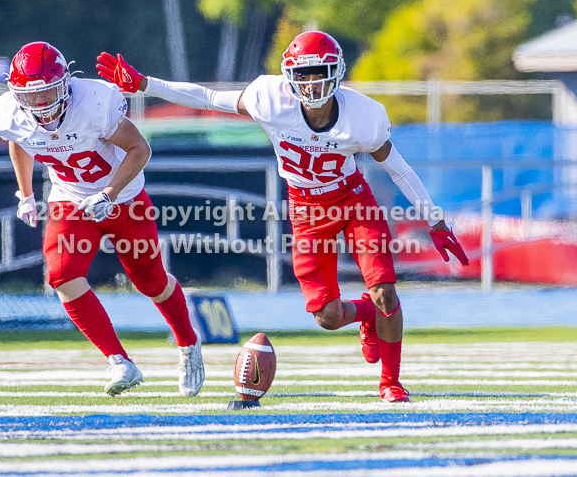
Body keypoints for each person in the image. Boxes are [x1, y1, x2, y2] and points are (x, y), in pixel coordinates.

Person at [96, 31, 469, 403]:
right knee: (327, 315)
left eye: (320, 72)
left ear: (336, 72)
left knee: (386, 289)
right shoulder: (271, 99)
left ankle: (390, 381)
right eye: (303, 74)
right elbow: (208, 97)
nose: (311, 82)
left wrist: (434, 220)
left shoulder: (363, 114)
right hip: (306, 211)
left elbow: (398, 169)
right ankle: (367, 315)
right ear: (290, 76)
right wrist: (146, 84)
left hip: (353, 199)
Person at [0, 41, 204, 397]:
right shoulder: (9, 114)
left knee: (150, 282)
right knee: (61, 274)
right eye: (33, 96)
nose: (41, 105)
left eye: (48, 93)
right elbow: (20, 140)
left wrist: (110, 194)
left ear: (65, 84)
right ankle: (120, 361)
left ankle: (188, 345)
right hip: (71, 198)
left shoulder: (93, 103)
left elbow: (141, 149)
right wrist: (25, 193)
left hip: (124, 197)